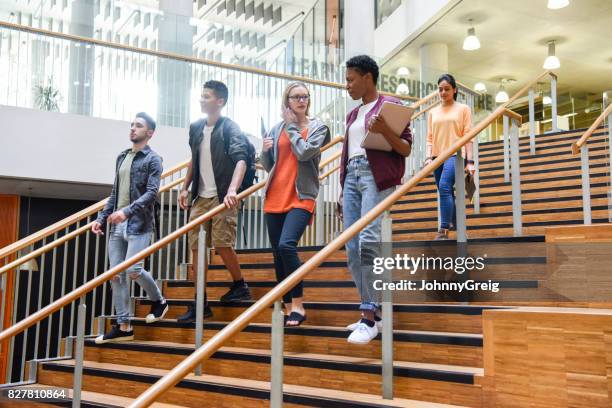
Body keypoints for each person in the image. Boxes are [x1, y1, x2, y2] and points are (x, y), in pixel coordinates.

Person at [338, 55, 412, 344]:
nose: (347, 85)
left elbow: (405, 149)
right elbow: (347, 154)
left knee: (369, 239)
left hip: (375, 175)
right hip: (352, 177)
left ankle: (368, 316)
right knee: (351, 245)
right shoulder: (352, 115)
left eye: (351, 79)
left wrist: (383, 131)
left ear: (367, 77)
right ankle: (373, 311)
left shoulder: (391, 106)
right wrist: (342, 188)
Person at [177, 80, 251, 324]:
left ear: (219, 101)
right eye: (201, 95)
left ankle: (240, 285)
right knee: (196, 248)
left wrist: (232, 190)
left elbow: (241, 160)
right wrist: (184, 187)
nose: (201, 99)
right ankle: (200, 302)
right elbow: (193, 159)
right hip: (201, 196)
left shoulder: (230, 127)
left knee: (221, 244)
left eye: (206, 96)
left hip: (222, 195)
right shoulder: (196, 127)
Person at [92, 112, 168, 344]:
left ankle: (159, 301)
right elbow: (115, 193)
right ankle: (124, 326)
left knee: (133, 270)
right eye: (132, 125)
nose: (133, 129)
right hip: (117, 223)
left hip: (139, 223)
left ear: (150, 133)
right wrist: (101, 218)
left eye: (138, 126)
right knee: (116, 275)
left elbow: (151, 193)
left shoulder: (153, 159)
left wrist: (126, 211)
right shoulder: (122, 157)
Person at [261, 82, 330, 327]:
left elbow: (303, 153)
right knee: (277, 254)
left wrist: (291, 127)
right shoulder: (276, 128)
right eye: (296, 97)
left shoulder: (318, 127)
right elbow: (271, 166)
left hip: (302, 195)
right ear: (287, 101)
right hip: (275, 195)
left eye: (305, 96)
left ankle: (298, 303)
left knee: (287, 246)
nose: (301, 100)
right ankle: (288, 305)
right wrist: (265, 151)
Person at [425, 74, 475, 240]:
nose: (443, 92)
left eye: (447, 89)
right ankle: (460, 229)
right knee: (444, 192)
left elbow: (468, 135)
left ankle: (443, 229)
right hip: (436, 157)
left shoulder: (463, 109)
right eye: (440, 89)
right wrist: (427, 158)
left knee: (445, 186)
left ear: (454, 90)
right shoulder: (432, 112)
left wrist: (470, 161)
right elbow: (430, 137)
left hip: (455, 155)